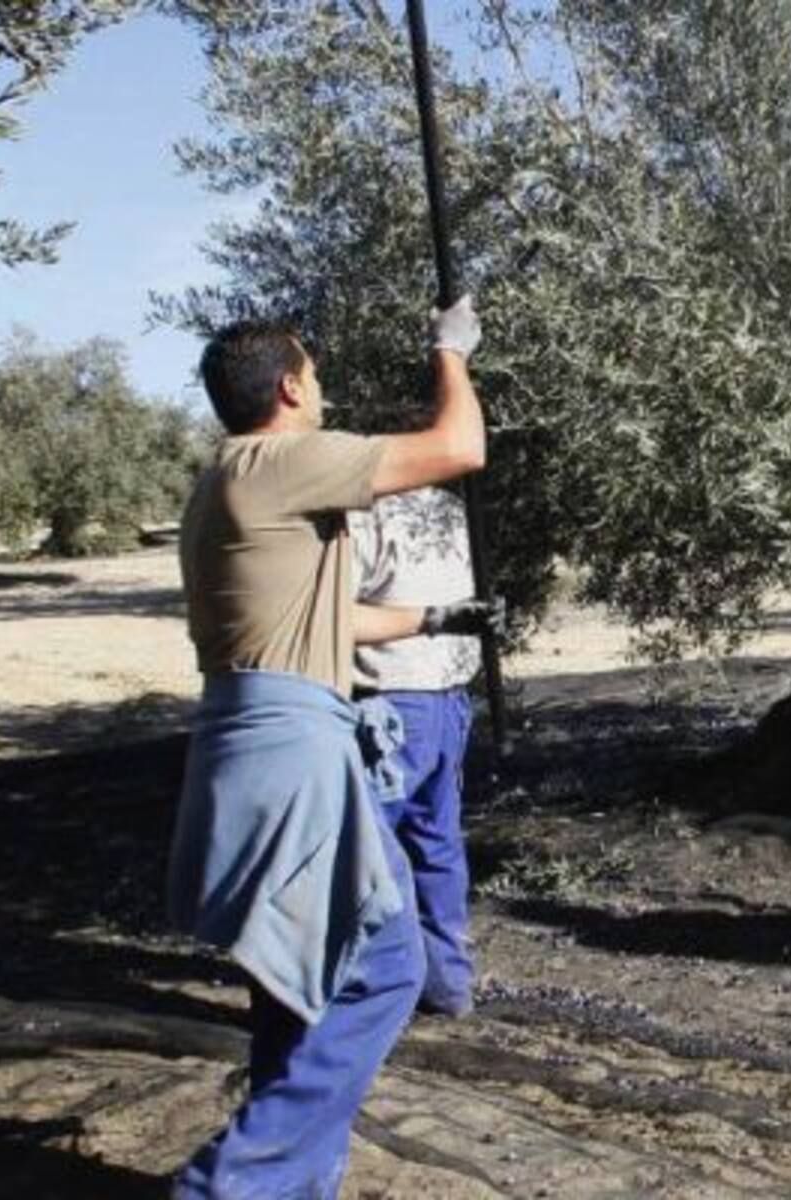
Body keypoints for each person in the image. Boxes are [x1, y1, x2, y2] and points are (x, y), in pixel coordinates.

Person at [167, 297, 492, 1200]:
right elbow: (459, 446)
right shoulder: (284, 459)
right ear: (288, 385)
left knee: (299, 967)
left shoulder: (224, 479)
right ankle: (231, 1185)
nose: (323, 388)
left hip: (246, 737)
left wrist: (434, 617)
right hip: (293, 750)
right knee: (387, 968)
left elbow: (324, 617)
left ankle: (292, 1181)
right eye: (314, 374)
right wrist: (450, 351)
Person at [349, 486, 484, 1017]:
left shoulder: (365, 512)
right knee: (437, 842)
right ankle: (447, 985)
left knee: (371, 848)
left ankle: (377, 990)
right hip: (449, 694)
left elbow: (335, 612)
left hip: (390, 698)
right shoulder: (454, 508)